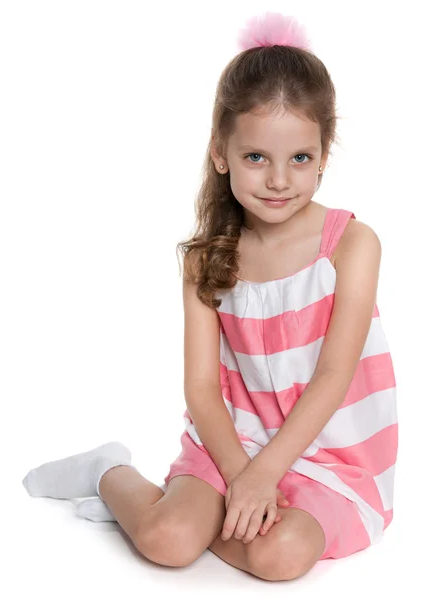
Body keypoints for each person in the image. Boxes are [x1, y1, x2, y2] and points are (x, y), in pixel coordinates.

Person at [22, 12, 398, 581]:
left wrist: (263, 476)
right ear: (222, 153)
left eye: (299, 158)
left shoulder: (351, 245)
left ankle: (194, 509)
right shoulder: (207, 259)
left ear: (323, 155)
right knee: (166, 540)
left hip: (327, 456)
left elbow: (332, 378)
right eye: (256, 157)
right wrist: (240, 473)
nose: (278, 179)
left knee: (281, 557)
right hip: (235, 440)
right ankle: (109, 472)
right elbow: (201, 389)